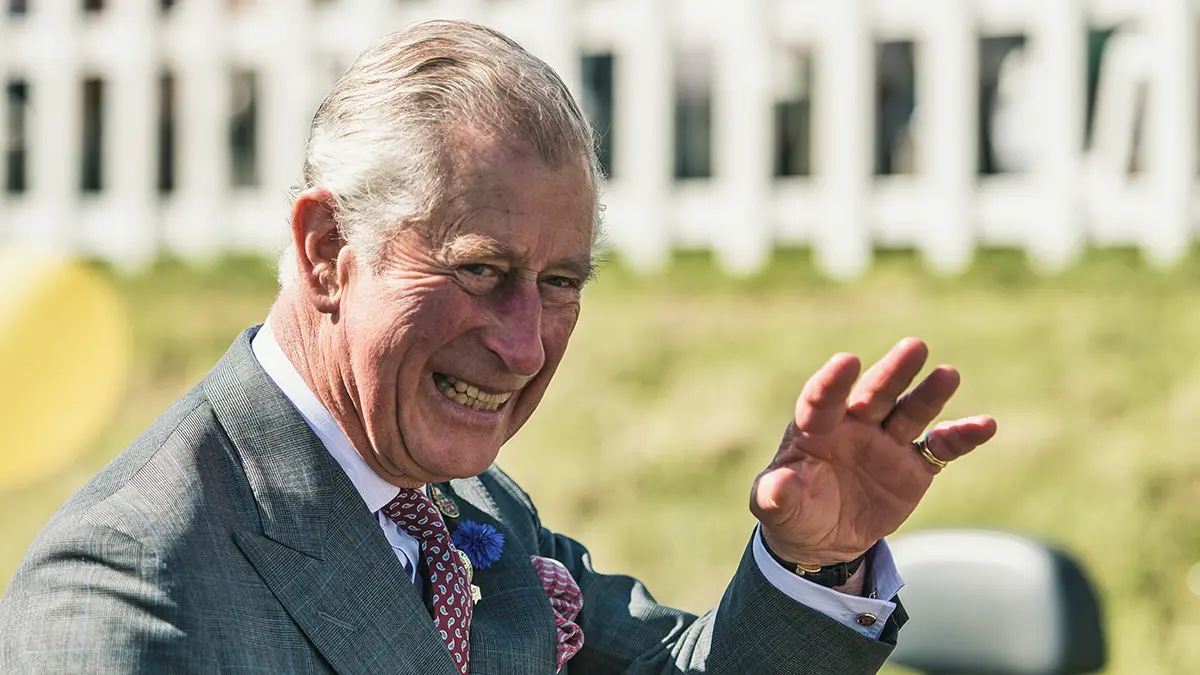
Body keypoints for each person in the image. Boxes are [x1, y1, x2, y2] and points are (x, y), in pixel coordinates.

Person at [0, 20, 997, 675]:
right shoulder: (128, 580)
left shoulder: (467, 506)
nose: (524, 347)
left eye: (561, 283)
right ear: (327, 250)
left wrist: (812, 562)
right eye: (479, 269)